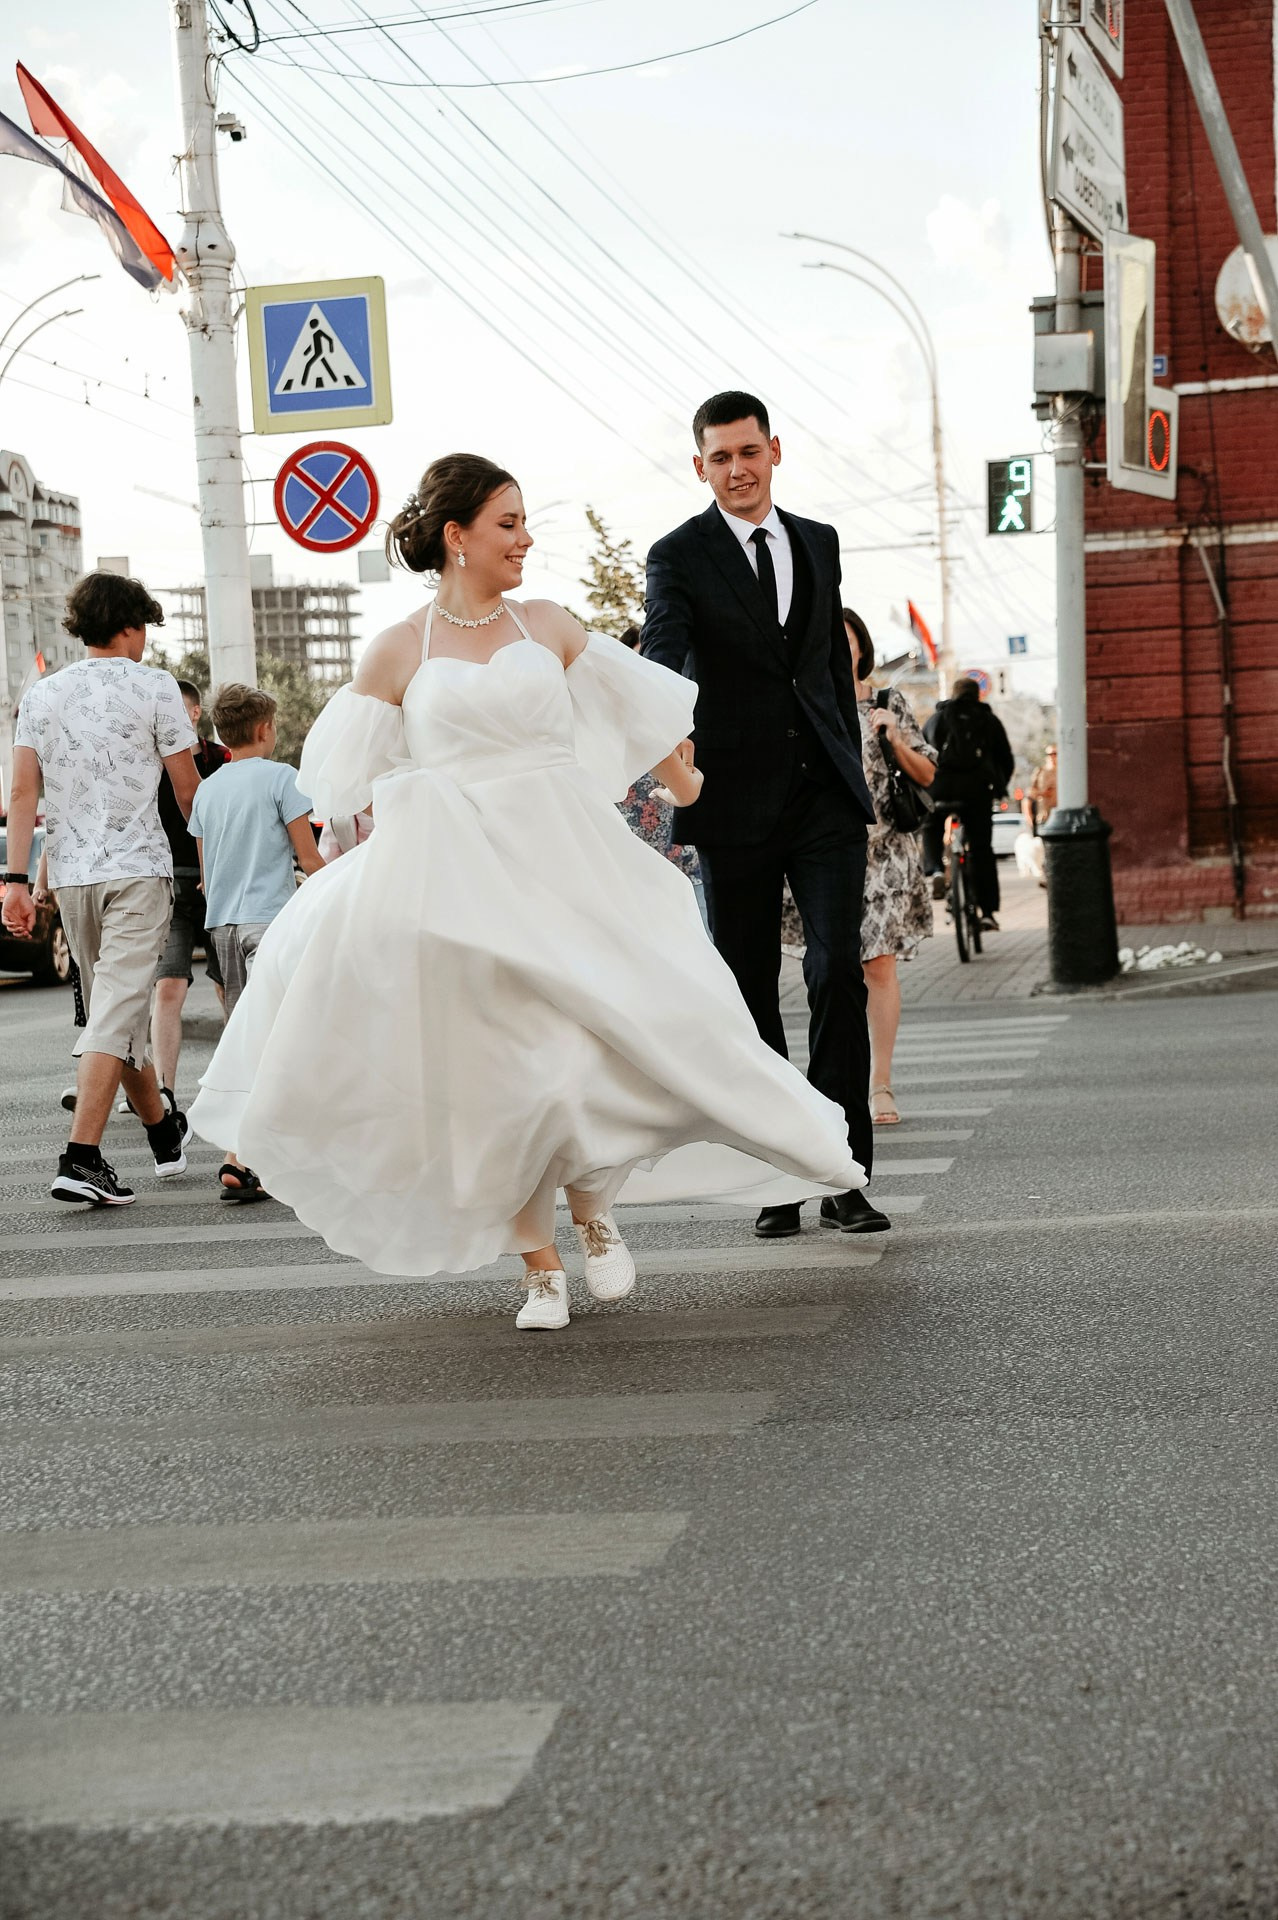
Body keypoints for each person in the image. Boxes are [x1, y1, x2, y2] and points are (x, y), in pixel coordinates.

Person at [188, 453, 863, 1330]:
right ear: (455, 536)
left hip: (567, 856)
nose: (525, 538)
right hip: (462, 872)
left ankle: (594, 1208)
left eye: (524, 521)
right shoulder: (396, 650)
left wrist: (687, 785)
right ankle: (539, 1267)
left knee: (596, 1045)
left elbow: (641, 710)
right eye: (507, 524)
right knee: (497, 1070)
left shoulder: (549, 624)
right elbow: (342, 781)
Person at [642, 391, 887, 1239]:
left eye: (749, 452)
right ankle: (775, 1175)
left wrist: (851, 767)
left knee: (835, 972)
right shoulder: (677, 555)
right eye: (720, 457)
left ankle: (845, 1172)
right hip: (732, 801)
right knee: (748, 996)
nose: (737, 470)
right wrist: (643, 719)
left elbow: (822, 669)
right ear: (699, 464)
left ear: (775, 451)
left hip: (823, 795)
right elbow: (664, 650)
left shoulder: (818, 542)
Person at [1, 571, 196, 1204]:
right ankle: (81, 1157)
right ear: (132, 626)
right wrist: (210, 860)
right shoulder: (156, 686)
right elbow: (189, 789)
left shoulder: (42, 694)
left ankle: (163, 1131)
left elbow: (23, 795)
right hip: (138, 869)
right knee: (116, 1011)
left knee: (119, 1010)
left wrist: (16, 881)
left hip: (74, 877)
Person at [188, 682, 325, 1200]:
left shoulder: (207, 789)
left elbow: (206, 871)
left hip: (221, 925)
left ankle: (246, 1154)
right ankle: (244, 1157)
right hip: (271, 924)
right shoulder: (282, 779)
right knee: (283, 1039)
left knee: (249, 1040)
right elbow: (308, 859)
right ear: (266, 729)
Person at [845, 611, 937, 1127]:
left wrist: (895, 738)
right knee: (835, 971)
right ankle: (839, 1080)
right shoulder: (804, 700)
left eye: (848, 641)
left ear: (863, 648)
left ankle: (880, 1084)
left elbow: (928, 772)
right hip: (827, 855)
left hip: (884, 855)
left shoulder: (886, 701)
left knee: (877, 962)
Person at [147, 679, 230, 1109]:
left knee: (227, 984)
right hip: (171, 882)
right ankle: (163, 1093)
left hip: (218, 882)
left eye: (178, 710)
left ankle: (240, 1081)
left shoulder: (222, 758)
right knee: (168, 988)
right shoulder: (153, 761)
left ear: (195, 714)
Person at [923, 678, 1015, 930]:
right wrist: (997, 786)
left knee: (930, 825)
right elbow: (1005, 759)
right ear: (978, 696)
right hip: (977, 791)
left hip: (939, 787)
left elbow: (920, 752)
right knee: (981, 849)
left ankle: (934, 871)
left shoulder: (936, 719)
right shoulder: (988, 721)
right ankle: (986, 912)